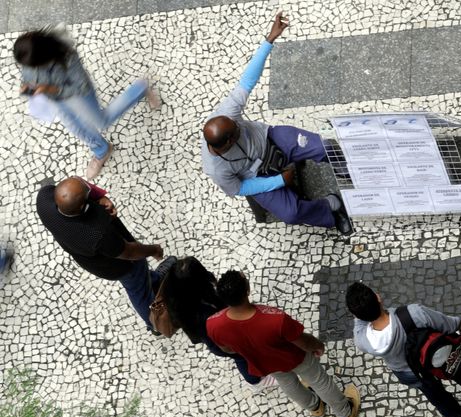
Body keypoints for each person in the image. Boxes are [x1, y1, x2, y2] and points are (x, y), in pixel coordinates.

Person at [201, 13, 352, 235]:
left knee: (322, 146)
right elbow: (242, 188)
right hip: (256, 176)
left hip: (270, 140)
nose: (239, 123)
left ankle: (341, 165)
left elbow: (247, 81)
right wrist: (278, 180)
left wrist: (269, 40)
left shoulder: (227, 115)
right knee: (291, 214)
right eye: (236, 130)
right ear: (229, 141)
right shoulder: (217, 170)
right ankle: (330, 207)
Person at [207, 271, 361, 417]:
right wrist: (317, 346)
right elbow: (303, 341)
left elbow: (227, 349)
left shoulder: (213, 324)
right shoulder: (274, 318)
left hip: (265, 363)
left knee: (287, 383)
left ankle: (314, 406)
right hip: (295, 357)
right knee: (319, 380)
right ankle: (345, 412)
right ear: (247, 290)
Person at [15, 27, 160, 179]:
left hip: (77, 95)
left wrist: (52, 89)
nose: (30, 68)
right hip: (54, 99)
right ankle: (102, 151)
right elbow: (27, 73)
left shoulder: (66, 55)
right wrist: (27, 86)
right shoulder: (29, 57)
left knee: (102, 121)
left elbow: (81, 86)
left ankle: (140, 89)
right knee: (76, 128)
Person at [36, 176, 171, 334]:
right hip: (121, 265)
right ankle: (154, 323)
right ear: (83, 208)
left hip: (93, 260)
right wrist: (154, 250)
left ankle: (153, 280)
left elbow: (76, 187)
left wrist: (100, 197)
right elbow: (130, 252)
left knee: (141, 279)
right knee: (137, 289)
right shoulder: (97, 233)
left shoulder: (44, 198)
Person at [345, 282, 461, 417]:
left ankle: (458, 416)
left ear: (356, 316)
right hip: (437, 357)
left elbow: (359, 324)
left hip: (410, 372)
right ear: (378, 297)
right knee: (460, 372)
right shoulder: (412, 313)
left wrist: (359, 312)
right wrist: (460, 325)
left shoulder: (362, 340)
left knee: (434, 393)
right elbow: (444, 323)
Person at [160, 257, 268, 391]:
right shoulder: (204, 314)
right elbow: (224, 342)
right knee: (240, 357)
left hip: (212, 337)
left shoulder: (177, 297)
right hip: (219, 341)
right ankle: (255, 382)